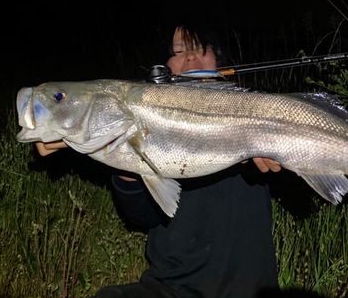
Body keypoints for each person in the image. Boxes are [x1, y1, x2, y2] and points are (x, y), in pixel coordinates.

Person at [36, 23, 282, 298]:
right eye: (178, 51)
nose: (190, 57)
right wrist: (118, 154)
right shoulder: (146, 122)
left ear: (218, 61)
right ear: (163, 69)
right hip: (171, 288)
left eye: (201, 49)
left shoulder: (256, 114)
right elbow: (142, 217)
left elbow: (296, 182)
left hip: (251, 290)